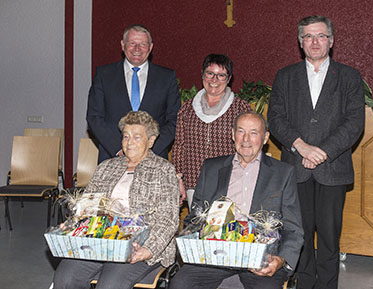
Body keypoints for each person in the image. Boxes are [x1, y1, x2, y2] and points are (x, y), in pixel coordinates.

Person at [267, 15, 365, 289]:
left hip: (332, 169)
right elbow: (275, 118)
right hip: (296, 168)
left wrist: (322, 151)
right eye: (308, 36)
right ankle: (305, 284)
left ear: (331, 41)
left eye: (320, 36)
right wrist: (301, 146)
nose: (315, 42)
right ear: (300, 43)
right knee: (299, 235)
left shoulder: (349, 77)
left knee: (330, 239)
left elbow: (355, 122)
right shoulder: (285, 76)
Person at [170, 111, 304, 289]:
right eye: (241, 131)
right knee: (180, 283)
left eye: (254, 133)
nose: (246, 139)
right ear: (233, 135)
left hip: (260, 258)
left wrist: (280, 260)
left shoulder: (283, 173)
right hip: (215, 254)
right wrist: (189, 236)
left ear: (265, 138)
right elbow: (194, 218)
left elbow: (293, 229)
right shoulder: (211, 168)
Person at [53, 111, 180, 289]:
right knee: (65, 277)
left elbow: (168, 219)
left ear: (150, 141)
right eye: (126, 136)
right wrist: (72, 225)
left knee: (110, 285)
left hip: (140, 243)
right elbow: (87, 206)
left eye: (137, 137)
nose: (129, 142)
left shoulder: (163, 169)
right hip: (100, 239)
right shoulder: (106, 167)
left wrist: (148, 249)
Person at [87, 24, 181, 163]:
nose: (137, 49)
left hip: (153, 159)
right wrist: (120, 149)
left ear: (150, 47)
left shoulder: (167, 77)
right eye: (132, 43)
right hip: (113, 158)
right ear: (123, 45)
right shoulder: (104, 75)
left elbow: (175, 120)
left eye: (143, 44)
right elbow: (94, 117)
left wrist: (148, 150)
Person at [171, 54, 251, 205]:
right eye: (210, 73)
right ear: (202, 74)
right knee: (198, 227)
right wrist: (178, 179)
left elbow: (249, 146)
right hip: (193, 183)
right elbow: (179, 147)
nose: (214, 80)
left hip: (229, 182)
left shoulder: (241, 108)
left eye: (221, 75)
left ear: (229, 79)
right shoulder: (187, 108)